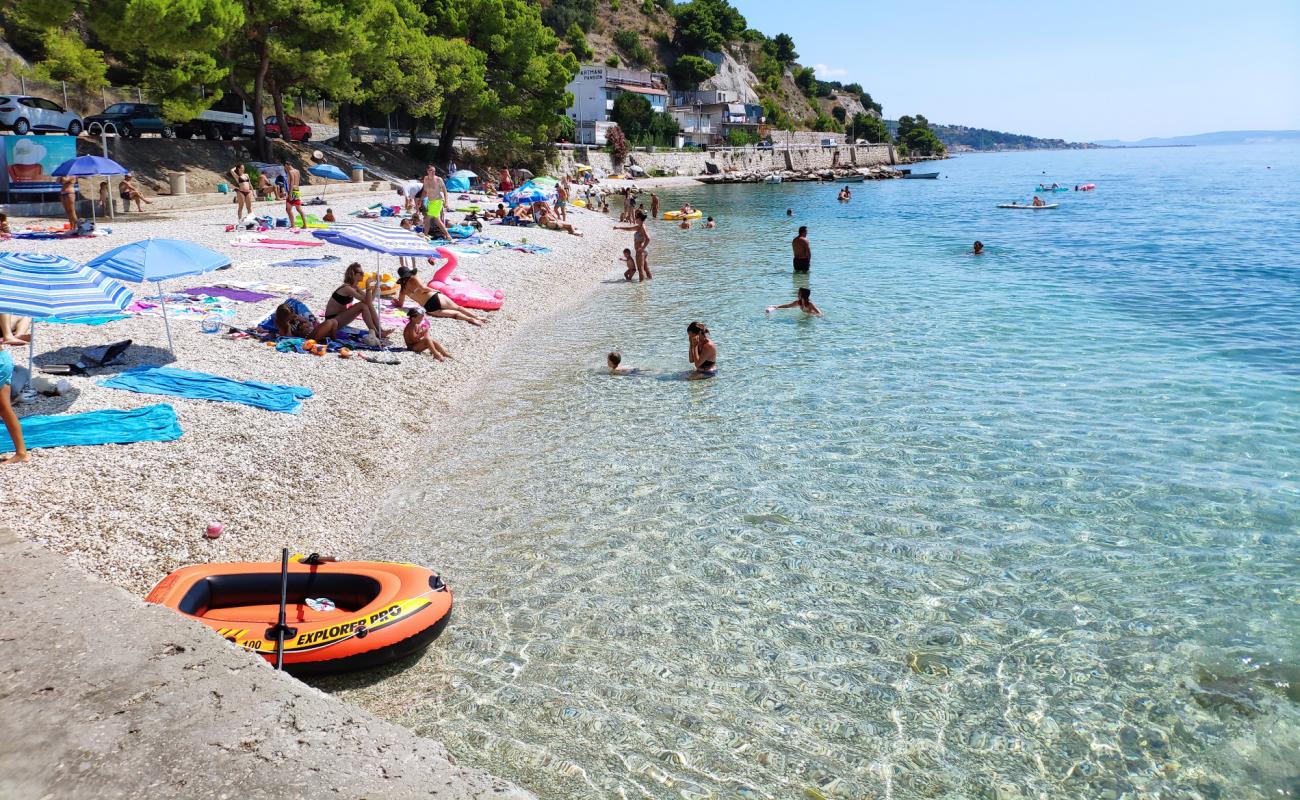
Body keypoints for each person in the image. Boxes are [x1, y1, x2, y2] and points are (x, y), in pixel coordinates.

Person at [393, 265, 487, 327]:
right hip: (434, 297)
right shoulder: (414, 278)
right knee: (458, 308)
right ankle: (477, 317)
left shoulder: (403, 290)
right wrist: (435, 290)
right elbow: (423, 288)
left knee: (454, 314)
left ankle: (470, 320)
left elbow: (400, 304)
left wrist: (395, 302)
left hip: (429, 307)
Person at [324, 262, 392, 338]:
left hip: (340, 317)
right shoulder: (347, 288)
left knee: (366, 305)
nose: (363, 275)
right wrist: (367, 285)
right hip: (332, 320)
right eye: (361, 273)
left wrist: (377, 285)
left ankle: (380, 330)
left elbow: (369, 301)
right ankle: (375, 332)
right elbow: (367, 301)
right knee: (362, 305)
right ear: (353, 274)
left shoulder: (355, 287)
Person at [1, 326, 28, 465]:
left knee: (5, 409)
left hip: (1, 362)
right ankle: (21, 452)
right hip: (3, 360)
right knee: (4, 409)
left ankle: (21, 453)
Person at [615, 209, 651, 281]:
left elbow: (648, 239)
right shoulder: (640, 226)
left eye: (636, 218)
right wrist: (619, 227)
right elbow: (629, 229)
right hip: (643, 250)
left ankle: (641, 286)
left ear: (639, 219)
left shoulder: (642, 227)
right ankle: (650, 280)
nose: (635, 219)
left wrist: (642, 248)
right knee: (645, 268)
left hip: (640, 250)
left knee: (640, 269)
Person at [273, 301, 339, 340]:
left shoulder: (295, 318)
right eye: (290, 316)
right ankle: (332, 338)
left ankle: (333, 339)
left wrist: (300, 319)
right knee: (329, 322)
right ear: (284, 318)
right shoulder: (283, 326)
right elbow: (288, 338)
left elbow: (308, 323)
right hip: (308, 337)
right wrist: (289, 327)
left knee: (334, 321)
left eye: (292, 315)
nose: (292, 317)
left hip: (312, 331)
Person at [283, 161, 306, 228]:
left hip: (292, 191)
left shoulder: (290, 172)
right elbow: (297, 181)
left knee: (288, 209)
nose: (285, 168)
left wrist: (290, 193)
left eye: (285, 167)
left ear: (286, 165)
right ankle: (305, 224)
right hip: (297, 190)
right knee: (299, 209)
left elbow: (291, 182)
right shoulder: (297, 171)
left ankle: (293, 225)